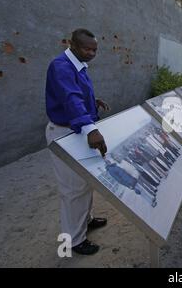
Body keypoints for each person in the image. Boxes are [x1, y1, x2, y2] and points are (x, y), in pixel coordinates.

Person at [45, 29, 109, 255]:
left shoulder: (77, 62)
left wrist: (93, 102)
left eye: (95, 49)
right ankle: (73, 240)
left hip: (76, 131)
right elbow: (70, 98)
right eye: (86, 49)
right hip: (64, 133)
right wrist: (91, 128)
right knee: (72, 189)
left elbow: (77, 95)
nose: (91, 53)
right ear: (71, 44)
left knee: (84, 183)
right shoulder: (61, 66)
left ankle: (85, 220)